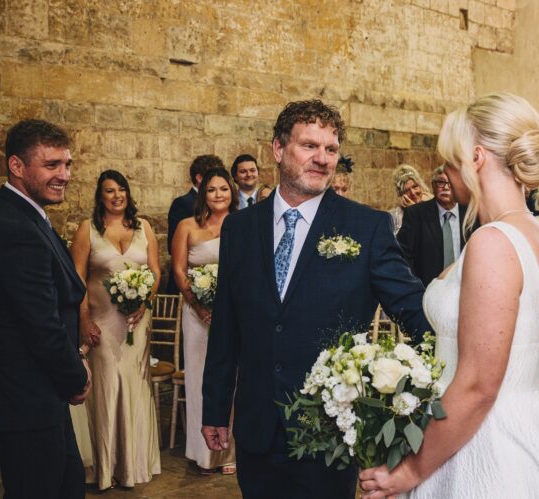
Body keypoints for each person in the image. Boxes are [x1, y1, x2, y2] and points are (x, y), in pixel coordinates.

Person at [358, 92, 539, 498]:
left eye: (450, 160)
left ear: (475, 158)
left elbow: (478, 384)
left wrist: (410, 471)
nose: (445, 172)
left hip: (485, 438)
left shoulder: (493, 242)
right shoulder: (536, 237)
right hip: (529, 419)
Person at [201, 99, 430, 499]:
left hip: (328, 433)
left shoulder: (366, 227)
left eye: (331, 149)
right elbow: (226, 327)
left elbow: (414, 310)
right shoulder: (239, 229)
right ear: (277, 149)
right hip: (257, 429)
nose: (322, 159)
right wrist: (215, 408)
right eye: (309, 146)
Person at [0, 119, 91, 498]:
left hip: (38, 393)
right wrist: (76, 376)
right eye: (52, 165)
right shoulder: (12, 227)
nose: (64, 175)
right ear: (17, 166)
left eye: (67, 164)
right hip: (25, 396)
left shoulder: (27, 217)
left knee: (67, 486)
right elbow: (41, 324)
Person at [70, 170, 161, 489]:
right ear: (101, 196)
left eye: (121, 189)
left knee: (135, 388)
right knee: (107, 388)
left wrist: (144, 302)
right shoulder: (87, 230)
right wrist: (83, 320)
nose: (117, 195)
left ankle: (132, 466)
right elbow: (76, 280)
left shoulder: (143, 227)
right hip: (102, 323)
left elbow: (155, 271)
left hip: (137, 321)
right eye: (110, 191)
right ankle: (105, 468)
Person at [171, 167, 238, 474]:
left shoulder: (242, 225)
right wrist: (198, 306)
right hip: (197, 315)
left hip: (234, 315)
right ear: (202, 193)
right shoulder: (187, 226)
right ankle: (203, 452)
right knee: (199, 379)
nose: (218, 195)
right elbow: (179, 271)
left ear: (232, 192)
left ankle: (229, 452)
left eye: (223, 189)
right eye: (211, 190)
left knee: (233, 379)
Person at [396, 165, 469, 286]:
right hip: (428, 290)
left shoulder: (471, 213)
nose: (446, 187)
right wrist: (415, 286)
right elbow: (402, 254)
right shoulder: (416, 214)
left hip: (465, 289)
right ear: (433, 186)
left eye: (450, 182)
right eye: (441, 182)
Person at [166, 154, 224, 293]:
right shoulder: (183, 203)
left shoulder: (225, 207)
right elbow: (172, 246)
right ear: (199, 178)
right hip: (192, 286)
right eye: (212, 175)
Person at [389, 164, 431, 233]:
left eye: (415, 186)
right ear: (401, 194)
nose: (413, 193)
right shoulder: (394, 217)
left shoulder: (433, 208)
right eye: (407, 190)